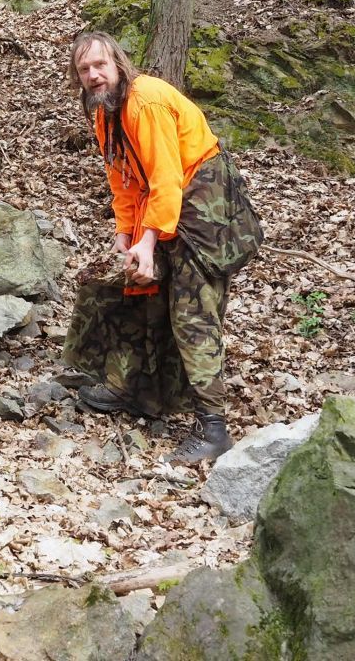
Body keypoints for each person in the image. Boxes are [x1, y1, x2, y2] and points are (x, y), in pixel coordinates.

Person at [61, 31, 262, 463]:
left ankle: (214, 428)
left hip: (205, 203)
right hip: (165, 201)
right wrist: (126, 237)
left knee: (193, 311)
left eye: (100, 65)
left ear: (117, 63)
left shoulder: (144, 101)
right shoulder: (102, 113)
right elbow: (124, 182)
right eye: (85, 70)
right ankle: (133, 388)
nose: (94, 75)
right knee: (138, 291)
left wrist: (148, 242)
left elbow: (166, 178)